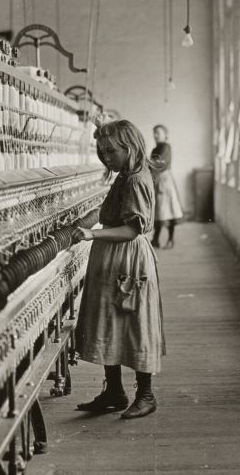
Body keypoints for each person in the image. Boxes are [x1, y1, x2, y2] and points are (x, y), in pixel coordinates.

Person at [72, 120, 166, 419]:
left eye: (111, 151)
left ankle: (146, 395)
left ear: (131, 147)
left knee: (135, 323)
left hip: (128, 258)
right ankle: (114, 391)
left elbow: (131, 231)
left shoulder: (137, 179)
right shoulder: (126, 175)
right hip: (113, 259)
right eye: (102, 151)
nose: (106, 158)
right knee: (109, 321)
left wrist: (92, 234)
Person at [150, 124, 184, 249]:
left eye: (158, 132)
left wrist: (148, 164)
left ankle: (170, 239)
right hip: (158, 181)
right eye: (154, 132)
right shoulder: (155, 149)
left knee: (169, 211)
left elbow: (160, 163)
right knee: (158, 211)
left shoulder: (166, 147)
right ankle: (156, 239)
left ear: (165, 135)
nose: (155, 135)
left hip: (165, 181)